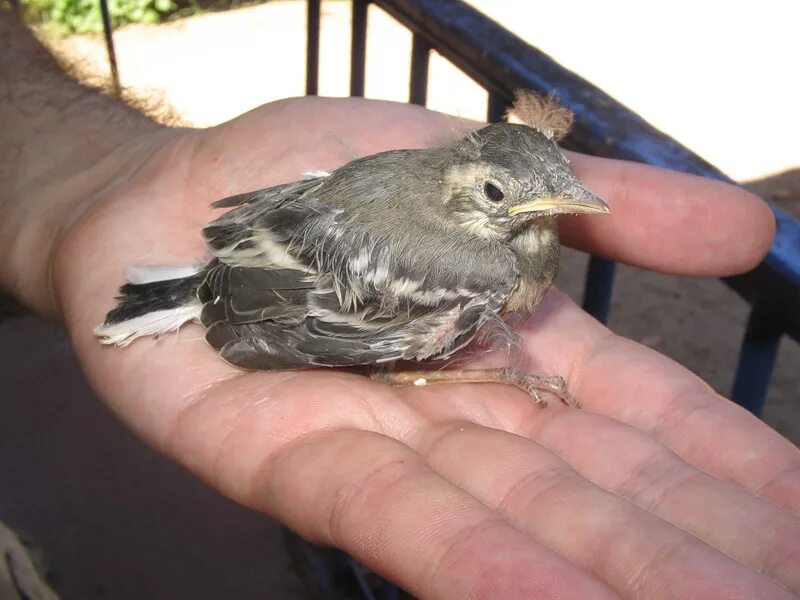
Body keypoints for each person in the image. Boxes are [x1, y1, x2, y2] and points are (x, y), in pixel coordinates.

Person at [1, 12, 799, 599]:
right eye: (501, 195)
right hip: (271, 283)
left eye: (548, 193)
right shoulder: (475, 266)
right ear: (463, 184)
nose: (544, 211)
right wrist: (467, 370)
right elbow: (348, 325)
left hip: (285, 235)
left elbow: (322, 206)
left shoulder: (464, 211)